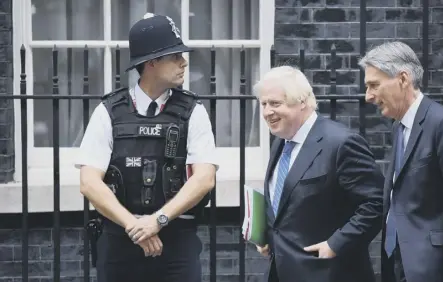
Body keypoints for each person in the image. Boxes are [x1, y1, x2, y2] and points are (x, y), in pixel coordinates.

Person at [76, 13, 218, 282]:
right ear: (152, 62)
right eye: (175, 56)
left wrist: (158, 221)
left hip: (176, 243)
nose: (183, 62)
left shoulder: (193, 111)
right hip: (119, 241)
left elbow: (204, 178)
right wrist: (134, 225)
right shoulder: (109, 111)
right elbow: (88, 182)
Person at [359, 41, 443, 282]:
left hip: (437, 270)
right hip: (402, 265)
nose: (368, 96)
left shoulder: (442, 124)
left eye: (374, 85)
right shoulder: (399, 127)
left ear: (402, 79)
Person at [253, 65, 385, 282]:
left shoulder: (341, 143)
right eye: (264, 104)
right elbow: (287, 206)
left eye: (275, 103)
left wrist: (336, 244)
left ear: (302, 101)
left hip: (330, 273)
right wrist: (267, 236)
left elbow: (376, 203)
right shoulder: (281, 143)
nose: (267, 112)